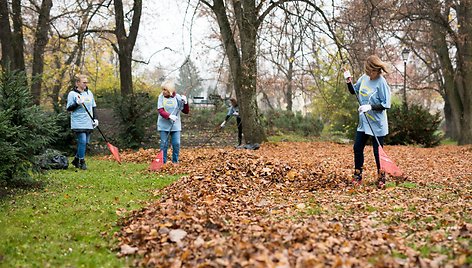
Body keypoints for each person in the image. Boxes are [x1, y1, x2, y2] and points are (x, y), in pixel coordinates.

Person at [345, 55, 391, 189]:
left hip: (377, 123)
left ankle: (381, 178)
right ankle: (357, 176)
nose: (370, 75)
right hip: (364, 122)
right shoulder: (364, 78)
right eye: (368, 72)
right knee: (357, 148)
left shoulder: (382, 83)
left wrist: (370, 107)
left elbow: (386, 104)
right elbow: (354, 91)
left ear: (376, 69)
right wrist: (348, 82)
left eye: (372, 72)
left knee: (378, 152)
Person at [66, 74, 98, 170]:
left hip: (88, 121)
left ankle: (76, 159)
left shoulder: (89, 93)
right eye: (83, 82)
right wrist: (77, 103)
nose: (85, 84)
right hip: (78, 121)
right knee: (82, 141)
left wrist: (95, 119)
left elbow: (93, 106)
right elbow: (69, 108)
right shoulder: (72, 94)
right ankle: (82, 161)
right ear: (77, 83)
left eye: (86, 82)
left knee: (85, 142)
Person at [157, 80, 189, 164]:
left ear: (170, 90)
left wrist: (185, 102)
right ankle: (162, 162)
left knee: (176, 144)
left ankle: (175, 162)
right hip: (163, 125)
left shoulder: (177, 97)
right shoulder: (161, 97)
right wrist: (169, 116)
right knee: (164, 144)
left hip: (175, 126)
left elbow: (185, 111)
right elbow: (160, 110)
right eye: (163, 89)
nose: (163, 92)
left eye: (165, 90)